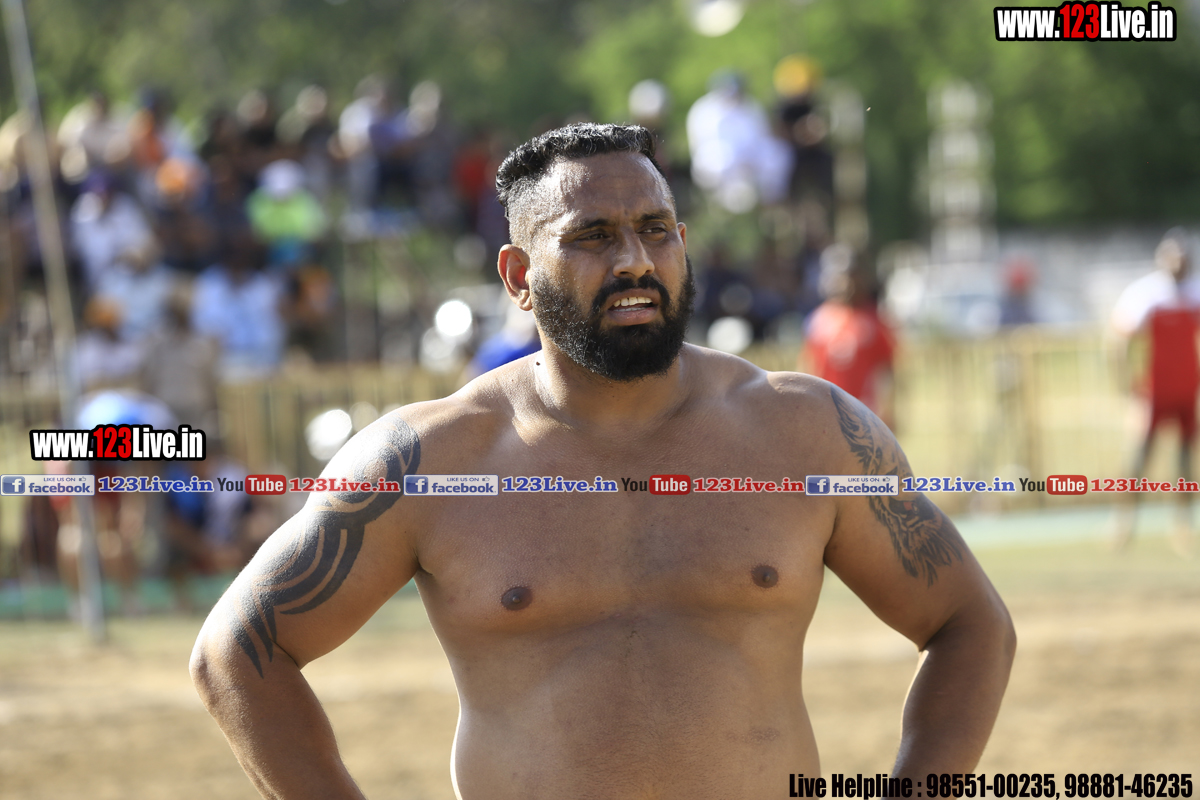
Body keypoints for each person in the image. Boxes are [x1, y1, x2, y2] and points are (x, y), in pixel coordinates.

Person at [191, 123, 1015, 799]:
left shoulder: (806, 432)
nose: (634, 261)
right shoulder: (431, 458)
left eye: (655, 230)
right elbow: (239, 651)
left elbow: (969, 623)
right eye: (591, 236)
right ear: (519, 275)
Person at [1110, 229, 1199, 553]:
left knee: (1185, 460)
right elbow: (1120, 340)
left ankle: (1182, 525)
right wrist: (1127, 385)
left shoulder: (1195, 292)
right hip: (1154, 391)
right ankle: (1123, 522)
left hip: (1187, 390)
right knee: (1138, 458)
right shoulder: (1146, 294)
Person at [804, 244, 897, 430]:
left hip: (865, 414)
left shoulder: (874, 320)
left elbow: (887, 370)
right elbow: (809, 366)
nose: (847, 284)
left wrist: (888, 409)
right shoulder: (819, 319)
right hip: (827, 412)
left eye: (852, 276)